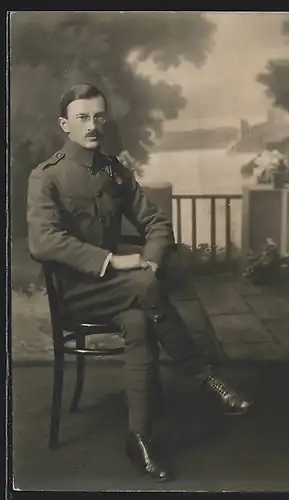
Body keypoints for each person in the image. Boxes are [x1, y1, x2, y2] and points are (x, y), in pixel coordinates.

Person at [27, 83, 254, 482]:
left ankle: (139, 436)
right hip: (79, 294)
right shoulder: (46, 177)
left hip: (127, 292)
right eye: (82, 117)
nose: (92, 125)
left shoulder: (115, 171)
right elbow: (44, 241)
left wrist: (149, 260)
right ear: (66, 124)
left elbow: (156, 222)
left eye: (99, 116)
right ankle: (207, 379)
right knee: (149, 289)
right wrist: (114, 260)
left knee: (138, 320)